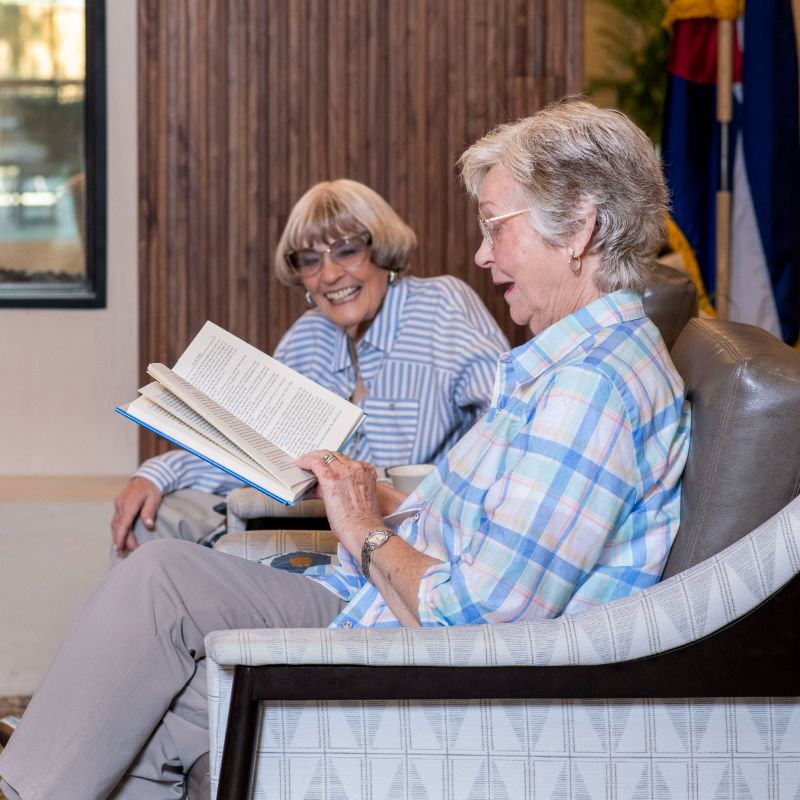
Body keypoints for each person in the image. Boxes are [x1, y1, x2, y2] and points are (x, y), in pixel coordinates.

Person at [0, 98, 691, 799]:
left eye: (495, 227)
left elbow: (477, 622)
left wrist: (361, 527)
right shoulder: (568, 367)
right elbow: (485, 520)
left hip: (411, 650)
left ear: (579, 224)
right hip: (376, 604)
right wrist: (366, 496)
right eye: (308, 258)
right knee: (159, 639)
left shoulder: (587, 388)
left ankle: (26, 780)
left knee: (162, 581)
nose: (482, 253)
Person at [110, 178, 509, 562]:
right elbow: (253, 448)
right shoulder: (306, 338)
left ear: (380, 250)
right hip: (312, 522)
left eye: (347, 251)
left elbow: (506, 420)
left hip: (412, 531)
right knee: (153, 514)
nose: (330, 274)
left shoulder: (441, 306)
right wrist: (156, 473)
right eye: (310, 260)